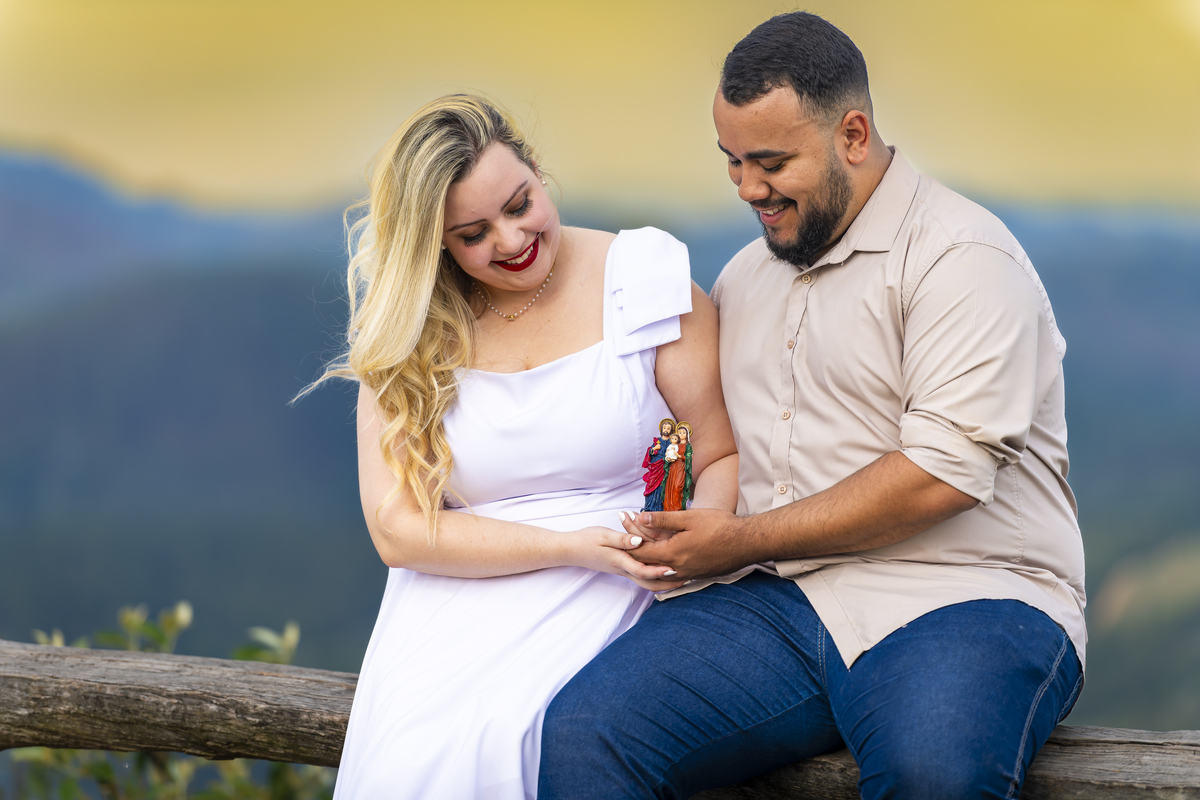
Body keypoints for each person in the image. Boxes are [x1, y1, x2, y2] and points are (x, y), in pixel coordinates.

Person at [539, 12, 1086, 800]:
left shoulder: (964, 257)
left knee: (935, 773)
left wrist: (734, 542)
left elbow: (942, 476)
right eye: (732, 162)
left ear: (853, 135)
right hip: (777, 603)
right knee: (586, 733)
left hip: (969, 596)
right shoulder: (741, 278)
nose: (747, 188)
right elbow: (709, 445)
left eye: (770, 162)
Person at [316, 95, 738, 799]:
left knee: (539, 734)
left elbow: (719, 454)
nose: (512, 240)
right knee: (413, 761)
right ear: (436, 243)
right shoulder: (410, 329)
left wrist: (697, 544)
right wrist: (567, 546)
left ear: (538, 171)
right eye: (473, 234)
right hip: (457, 593)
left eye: (521, 204)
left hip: (627, 577)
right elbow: (397, 530)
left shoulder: (643, 278)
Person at [663, 423, 693, 511]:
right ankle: (669, 507)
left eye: (683, 433)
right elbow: (668, 453)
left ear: (687, 434)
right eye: (679, 433)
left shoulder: (688, 446)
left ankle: (677, 508)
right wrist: (668, 458)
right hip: (672, 466)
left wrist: (680, 456)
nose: (681, 434)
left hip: (681, 467)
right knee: (670, 487)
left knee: (677, 487)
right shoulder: (675, 444)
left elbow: (688, 458)